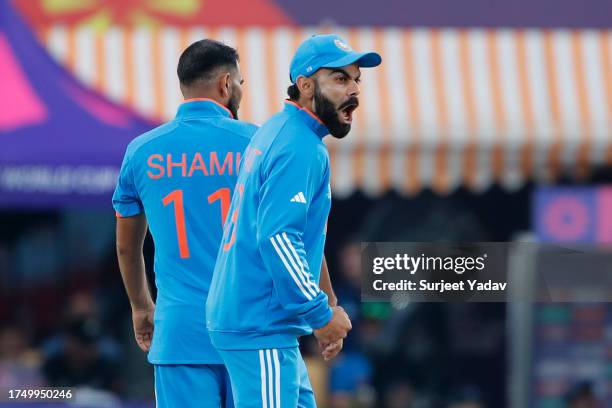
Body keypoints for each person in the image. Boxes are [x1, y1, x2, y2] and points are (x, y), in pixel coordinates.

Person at [206, 34, 382, 407]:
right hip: (260, 326)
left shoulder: (282, 129)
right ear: (305, 85)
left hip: (260, 323)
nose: (353, 91)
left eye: (356, 80)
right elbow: (279, 238)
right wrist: (320, 314)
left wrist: (328, 301)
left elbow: (298, 237)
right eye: (340, 79)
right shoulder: (300, 146)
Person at [113, 39, 257, 408]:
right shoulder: (259, 144)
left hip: (180, 332)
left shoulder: (142, 150)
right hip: (251, 330)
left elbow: (128, 246)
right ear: (226, 84)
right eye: (241, 82)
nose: (240, 90)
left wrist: (142, 307)